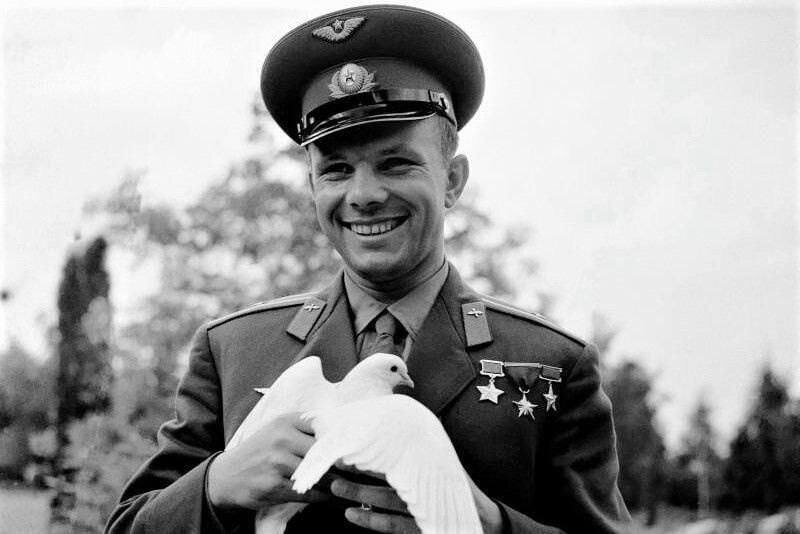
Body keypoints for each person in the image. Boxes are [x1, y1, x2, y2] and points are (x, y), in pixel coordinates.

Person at [107, 5, 630, 533]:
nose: (364, 195)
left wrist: (492, 525)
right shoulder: (233, 350)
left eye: (395, 163)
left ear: (452, 181)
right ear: (313, 188)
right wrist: (215, 486)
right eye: (335, 170)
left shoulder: (552, 363)